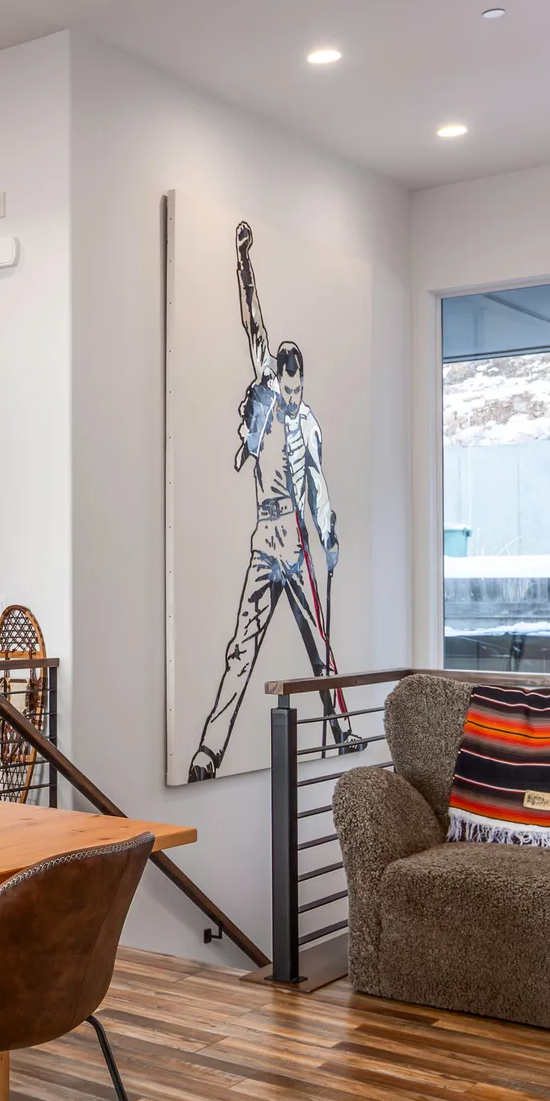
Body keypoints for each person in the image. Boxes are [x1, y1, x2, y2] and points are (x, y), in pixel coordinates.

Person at [189, 222, 351, 782]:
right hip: (266, 542)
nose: (290, 398)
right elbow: (251, 319)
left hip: (300, 545)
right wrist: (243, 263)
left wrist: (328, 531)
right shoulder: (266, 395)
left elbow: (318, 480)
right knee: (241, 650)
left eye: (296, 389)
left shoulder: (308, 422)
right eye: (284, 390)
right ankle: (209, 751)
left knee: (320, 645)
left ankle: (344, 729)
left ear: (302, 381)